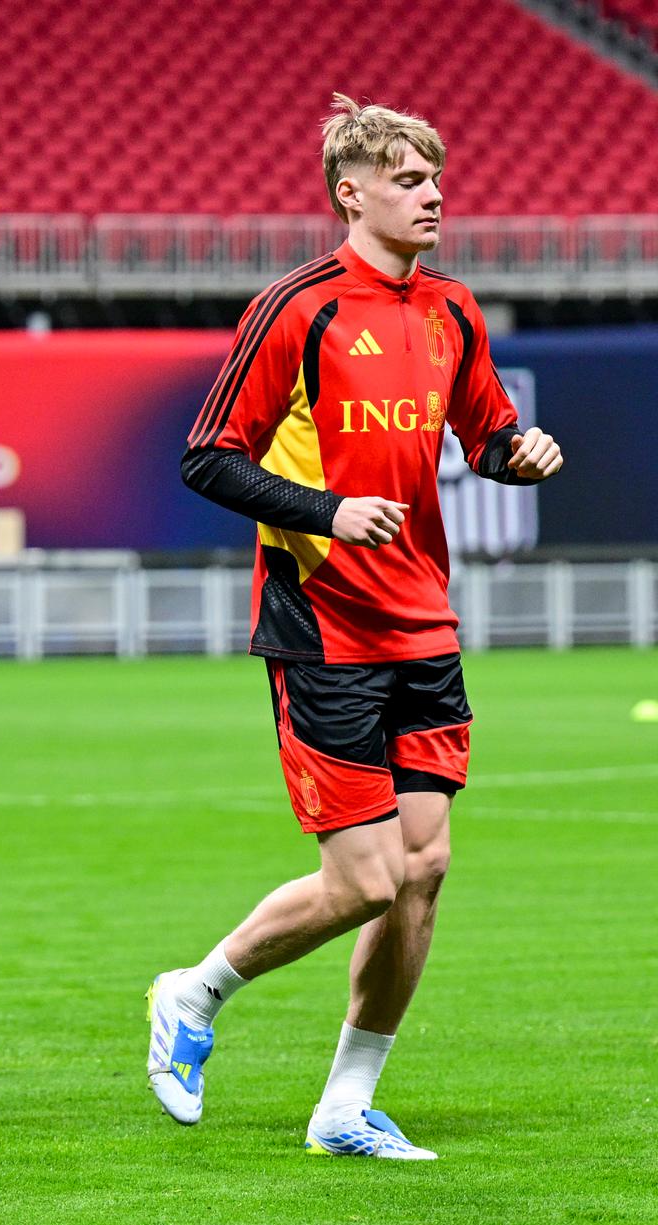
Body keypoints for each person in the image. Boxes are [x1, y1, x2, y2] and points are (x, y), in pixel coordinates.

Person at [148, 95, 564, 1157]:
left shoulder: (453, 310)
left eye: (436, 178)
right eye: (411, 180)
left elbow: (485, 435)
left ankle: (346, 1104)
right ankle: (193, 992)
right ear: (353, 191)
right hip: (322, 624)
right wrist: (326, 510)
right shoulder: (298, 307)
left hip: (424, 621)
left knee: (423, 869)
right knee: (367, 878)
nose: (434, 196)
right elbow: (208, 456)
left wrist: (521, 450)